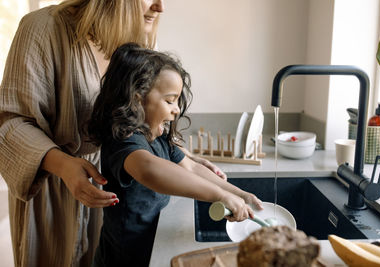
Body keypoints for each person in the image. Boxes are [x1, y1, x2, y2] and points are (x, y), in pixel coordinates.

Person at [0, 0, 226, 266]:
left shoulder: (134, 41)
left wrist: (175, 156)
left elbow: (137, 121)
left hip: (115, 197)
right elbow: (10, 124)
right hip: (56, 196)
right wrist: (65, 166)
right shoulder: (42, 29)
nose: (160, 6)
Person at [87, 43, 263, 267]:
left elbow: (191, 167)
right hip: (124, 257)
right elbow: (149, 169)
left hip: (152, 245)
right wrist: (219, 195)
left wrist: (239, 194)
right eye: (170, 100)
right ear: (137, 98)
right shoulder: (124, 138)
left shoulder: (158, 135)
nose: (177, 109)